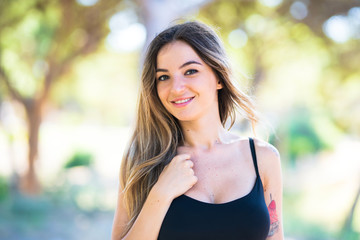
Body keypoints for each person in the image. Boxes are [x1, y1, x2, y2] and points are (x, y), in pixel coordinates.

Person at [111, 21, 283, 240]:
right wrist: (160, 194)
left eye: (190, 71)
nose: (176, 87)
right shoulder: (142, 160)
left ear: (219, 77)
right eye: (164, 77)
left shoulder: (263, 158)